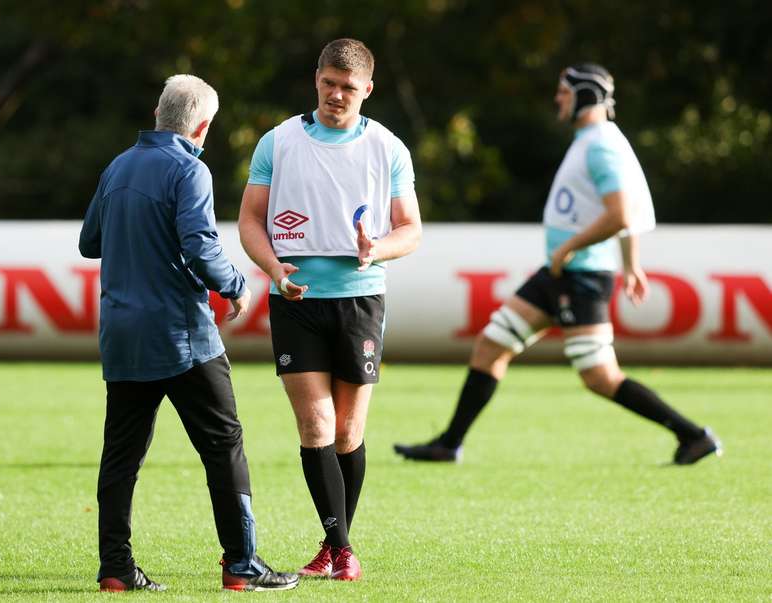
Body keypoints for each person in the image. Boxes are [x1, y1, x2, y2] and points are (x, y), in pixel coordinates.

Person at [394, 63, 722, 466]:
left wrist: (569, 249)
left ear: (585, 95)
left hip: (580, 276)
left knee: (600, 378)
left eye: (564, 91)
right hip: (561, 273)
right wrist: (630, 264)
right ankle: (449, 444)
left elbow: (621, 214)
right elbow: (624, 212)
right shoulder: (594, 139)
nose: (557, 98)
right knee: (491, 344)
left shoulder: (601, 144)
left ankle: (694, 436)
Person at [79, 74, 298, 593]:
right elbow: (200, 247)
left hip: (122, 334)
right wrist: (237, 285)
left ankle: (115, 567)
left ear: (159, 113)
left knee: (121, 456)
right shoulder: (188, 169)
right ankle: (241, 563)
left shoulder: (117, 167)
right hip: (182, 335)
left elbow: (90, 242)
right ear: (203, 125)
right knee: (224, 444)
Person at [238, 39, 422, 581]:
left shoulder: (389, 148)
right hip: (295, 298)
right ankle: (343, 551)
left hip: (361, 296)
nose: (337, 95)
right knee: (315, 422)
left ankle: (332, 547)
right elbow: (250, 219)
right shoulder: (278, 141)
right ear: (315, 79)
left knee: (347, 431)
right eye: (329, 84)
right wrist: (274, 268)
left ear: (367, 89)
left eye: (348, 87)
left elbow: (410, 230)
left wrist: (376, 248)